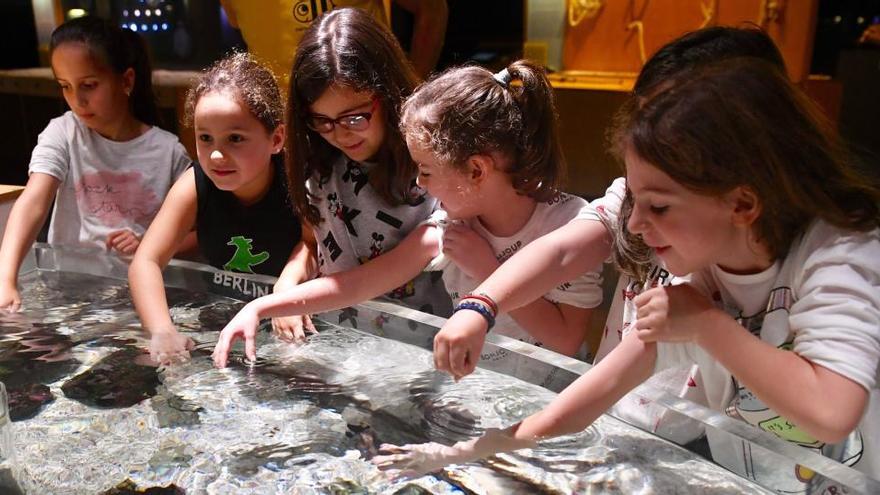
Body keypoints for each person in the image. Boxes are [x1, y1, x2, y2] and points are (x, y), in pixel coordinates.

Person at [372, 59, 880, 492]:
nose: (634, 224)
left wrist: (706, 325)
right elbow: (579, 404)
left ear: (742, 202)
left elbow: (834, 409)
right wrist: (456, 455)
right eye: (635, 200)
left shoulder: (840, 255)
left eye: (657, 205)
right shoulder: (700, 285)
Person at [428, 25, 790, 445]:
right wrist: (481, 305)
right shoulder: (638, 199)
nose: (638, 221)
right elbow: (565, 250)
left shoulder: (807, 265)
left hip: (700, 441)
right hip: (617, 422)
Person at [212, 59, 604, 389]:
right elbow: (359, 283)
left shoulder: (567, 225)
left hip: (550, 396)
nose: (420, 184)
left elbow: (566, 341)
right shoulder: (450, 227)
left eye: (427, 171)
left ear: (476, 169)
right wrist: (264, 305)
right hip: (480, 387)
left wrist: (486, 269)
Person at [269, 8, 454, 341]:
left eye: (354, 118)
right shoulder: (320, 162)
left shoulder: (432, 165)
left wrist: (292, 298)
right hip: (343, 343)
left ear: (388, 94)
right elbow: (311, 243)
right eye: (322, 121)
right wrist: (287, 284)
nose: (339, 135)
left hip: (425, 348)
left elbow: (397, 266)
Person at [0, 16, 190, 312]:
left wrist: (151, 245)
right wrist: (5, 279)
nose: (77, 100)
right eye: (65, 86)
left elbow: (198, 231)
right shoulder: (63, 132)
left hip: (138, 298)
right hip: (67, 292)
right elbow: (34, 200)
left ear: (126, 80)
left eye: (88, 85)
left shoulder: (169, 151)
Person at [128, 52, 307, 366]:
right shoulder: (194, 185)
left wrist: (286, 286)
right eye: (205, 138)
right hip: (224, 312)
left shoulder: (297, 179)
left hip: (288, 317)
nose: (215, 156)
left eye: (235, 138)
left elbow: (313, 243)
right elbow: (146, 259)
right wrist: (161, 329)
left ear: (276, 139)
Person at [219, 0, 447, 87]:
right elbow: (240, 23)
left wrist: (413, 89)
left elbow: (432, 9)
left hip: (366, 120)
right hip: (283, 130)